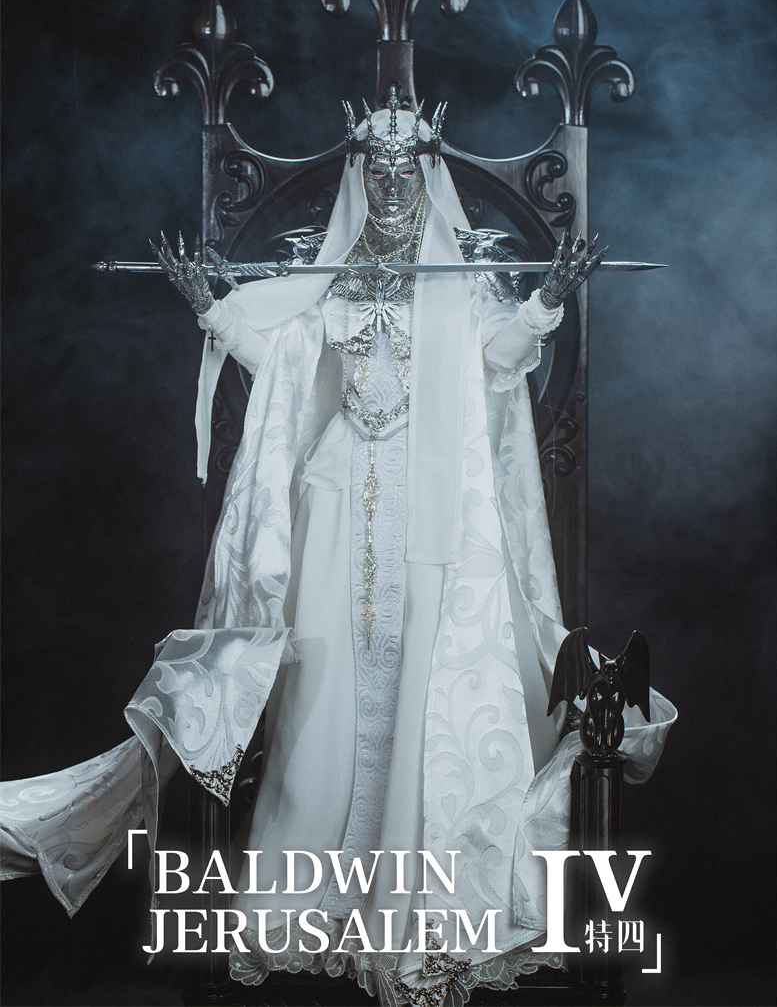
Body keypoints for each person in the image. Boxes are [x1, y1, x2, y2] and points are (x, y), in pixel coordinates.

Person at [153, 93, 669, 1006]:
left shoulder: (456, 277)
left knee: (424, 676)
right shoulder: (333, 279)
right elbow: (281, 367)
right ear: (361, 176)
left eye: (406, 173)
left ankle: (420, 895)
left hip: (432, 501)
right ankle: (318, 889)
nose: (391, 188)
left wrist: (546, 299)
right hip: (337, 497)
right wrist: (213, 309)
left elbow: (498, 358)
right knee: (326, 684)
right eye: (378, 173)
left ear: (427, 177)